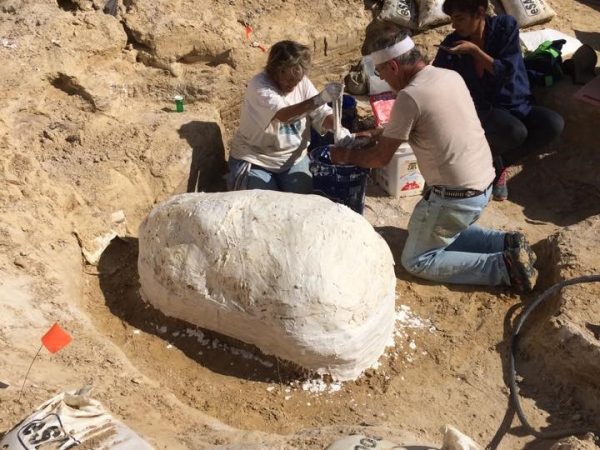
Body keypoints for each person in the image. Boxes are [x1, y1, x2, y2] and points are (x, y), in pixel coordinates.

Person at [330, 32, 538, 292]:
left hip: (455, 198)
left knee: (416, 259)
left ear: (394, 66)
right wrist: (375, 133)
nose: (382, 78)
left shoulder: (410, 97)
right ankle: (504, 242)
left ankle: (504, 267)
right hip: (484, 183)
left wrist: (346, 156)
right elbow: (430, 121)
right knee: (435, 230)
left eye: (382, 72)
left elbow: (379, 158)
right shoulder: (447, 76)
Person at [432, 0, 564, 201]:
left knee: (553, 124)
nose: (454, 25)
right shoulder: (452, 43)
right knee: (514, 131)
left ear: (480, 12)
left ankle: (500, 163)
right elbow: (437, 77)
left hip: (515, 101)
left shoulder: (505, 28)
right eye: (452, 19)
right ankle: (491, 163)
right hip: (481, 109)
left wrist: (475, 51)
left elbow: (506, 71)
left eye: (459, 19)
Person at [228, 40, 350, 194]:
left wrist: (338, 128)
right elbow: (285, 115)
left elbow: (320, 112)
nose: (294, 85)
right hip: (256, 157)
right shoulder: (260, 86)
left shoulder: (301, 83)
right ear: (275, 70)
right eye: (290, 80)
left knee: (303, 199)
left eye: (297, 80)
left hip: (292, 159)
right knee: (268, 203)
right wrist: (321, 98)